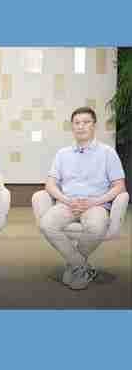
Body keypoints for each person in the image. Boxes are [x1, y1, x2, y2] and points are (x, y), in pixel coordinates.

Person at [39, 107, 126, 290]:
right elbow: (50, 184)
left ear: (94, 126)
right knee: (46, 224)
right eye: (77, 123)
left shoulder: (107, 153)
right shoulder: (62, 154)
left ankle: (74, 266)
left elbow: (119, 186)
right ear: (72, 127)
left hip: (96, 204)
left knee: (97, 227)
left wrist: (94, 202)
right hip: (68, 203)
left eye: (86, 122)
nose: (81, 126)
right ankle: (80, 265)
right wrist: (66, 200)